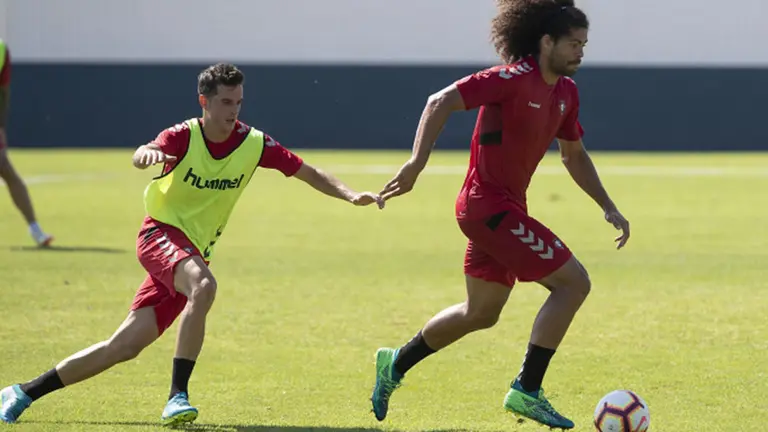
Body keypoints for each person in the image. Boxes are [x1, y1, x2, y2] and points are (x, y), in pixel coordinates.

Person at [0, 63, 384, 426]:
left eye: (238, 102)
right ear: (204, 101)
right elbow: (145, 151)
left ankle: (22, 392)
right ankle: (177, 396)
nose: (233, 111)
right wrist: (144, 156)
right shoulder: (182, 136)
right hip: (159, 236)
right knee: (204, 286)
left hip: (190, 254)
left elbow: (307, 171)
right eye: (224, 102)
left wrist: (351, 195)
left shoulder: (253, 144)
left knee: (123, 347)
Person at [369, 0, 629, 429]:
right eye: (573, 44)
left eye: (585, 44)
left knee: (481, 312)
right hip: (487, 206)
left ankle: (394, 363)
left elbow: (574, 156)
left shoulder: (566, 93)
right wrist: (416, 164)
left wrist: (608, 205)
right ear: (546, 42)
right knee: (573, 283)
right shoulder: (512, 79)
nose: (581, 52)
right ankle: (527, 389)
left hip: (505, 209)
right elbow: (440, 101)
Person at [0, 38, 54, 247]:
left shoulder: (2, 50)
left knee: (5, 167)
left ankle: (35, 230)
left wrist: (1, 128)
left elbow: (4, 93)